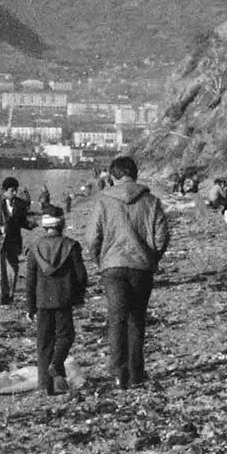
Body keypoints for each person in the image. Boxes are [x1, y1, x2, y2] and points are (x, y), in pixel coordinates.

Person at [84, 154, 171, 389]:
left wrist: (100, 259)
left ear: (113, 177)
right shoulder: (151, 201)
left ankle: (119, 373)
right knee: (137, 320)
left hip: (112, 266)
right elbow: (162, 237)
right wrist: (152, 258)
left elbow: (92, 237)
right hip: (141, 267)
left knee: (116, 320)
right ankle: (136, 372)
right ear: (136, 174)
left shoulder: (103, 201)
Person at [23, 205, 89, 395]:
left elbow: (30, 281)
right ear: (62, 224)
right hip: (64, 299)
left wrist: (30, 307)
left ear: (44, 227)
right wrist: (79, 297)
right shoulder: (71, 246)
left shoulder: (35, 248)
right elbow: (81, 276)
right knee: (66, 336)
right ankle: (57, 363)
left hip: (43, 300)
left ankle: (45, 385)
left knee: (44, 342)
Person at [0, 176, 32, 305]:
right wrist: (0, 228)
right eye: (12, 190)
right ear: (5, 190)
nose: (14, 193)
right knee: (0, 270)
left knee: (14, 269)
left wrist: (32, 225)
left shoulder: (20, 204)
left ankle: (11, 294)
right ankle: (4, 296)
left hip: (13, 240)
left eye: (16, 190)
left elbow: (23, 221)